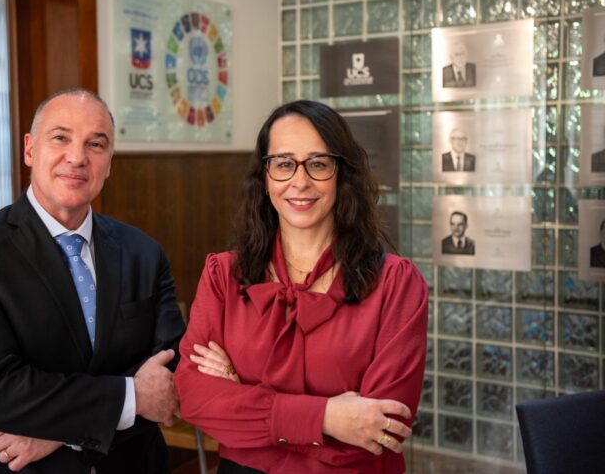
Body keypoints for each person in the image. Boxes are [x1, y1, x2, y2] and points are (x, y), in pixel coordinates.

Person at [0, 89, 186, 473]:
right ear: (30, 149)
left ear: (109, 162)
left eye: (95, 144)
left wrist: (58, 431)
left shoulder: (144, 252)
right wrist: (131, 396)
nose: (77, 157)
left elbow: (171, 375)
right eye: (60, 137)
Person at [174, 100, 428, 473]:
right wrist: (327, 417)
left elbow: (382, 428)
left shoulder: (396, 284)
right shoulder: (223, 275)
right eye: (284, 164)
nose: (300, 181)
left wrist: (243, 399)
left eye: (318, 164)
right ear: (264, 177)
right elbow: (195, 398)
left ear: (342, 174)